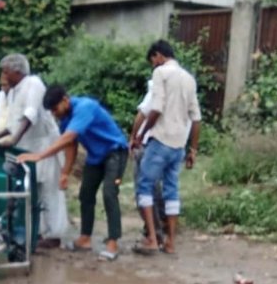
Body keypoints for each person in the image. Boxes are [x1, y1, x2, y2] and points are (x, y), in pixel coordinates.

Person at [17, 84, 129, 261]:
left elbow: (68, 137)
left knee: (109, 194)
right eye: (52, 112)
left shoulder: (85, 107)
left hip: (115, 152)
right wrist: (64, 173)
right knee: (85, 194)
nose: (55, 114)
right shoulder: (66, 118)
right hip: (96, 156)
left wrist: (39, 156)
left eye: (55, 109)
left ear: (65, 100)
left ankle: (112, 243)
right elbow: (71, 146)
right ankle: (85, 238)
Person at [0, 53, 68, 248]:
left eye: (6, 71)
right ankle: (38, 231)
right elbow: (13, 123)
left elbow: (30, 115)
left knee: (49, 189)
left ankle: (54, 234)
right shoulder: (15, 91)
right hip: (27, 147)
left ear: (17, 71)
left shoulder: (33, 83)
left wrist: (14, 139)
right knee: (32, 189)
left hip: (45, 144)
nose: (4, 75)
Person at [132, 39, 201, 256]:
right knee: (172, 192)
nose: (154, 65)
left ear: (159, 56)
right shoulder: (189, 79)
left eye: (154, 61)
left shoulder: (161, 74)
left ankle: (152, 238)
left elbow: (156, 108)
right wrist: (193, 150)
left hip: (160, 141)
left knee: (144, 185)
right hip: (179, 146)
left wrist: (141, 134)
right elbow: (196, 118)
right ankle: (170, 242)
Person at [129, 79, 166, 245]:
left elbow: (143, 114)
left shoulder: (156, 92)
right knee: (157, 188)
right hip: (165, 145)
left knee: (143, 190)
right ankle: (163, 227)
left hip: (147, 144)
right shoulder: (182, 91)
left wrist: (134, 136)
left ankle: (153, 234)